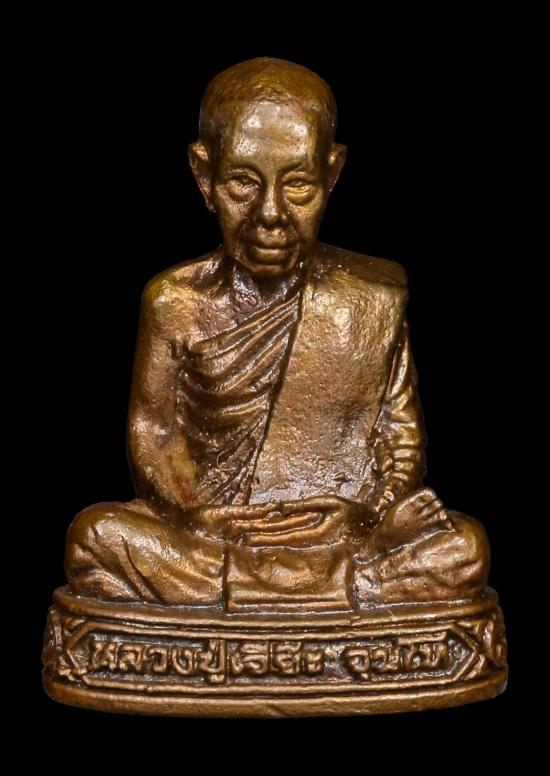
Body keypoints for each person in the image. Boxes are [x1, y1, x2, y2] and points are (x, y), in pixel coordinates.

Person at [65, 58, 489, 611]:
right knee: (96, 535)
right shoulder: (174, 302)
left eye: (299, 185)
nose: (270, 213)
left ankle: (250, 594)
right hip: (217, 535)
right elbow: (153, 433)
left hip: (338, 532)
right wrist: (194, 515)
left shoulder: (372, 298)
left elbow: (400, 437)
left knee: (464, 547)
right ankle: (343, 590)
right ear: (203, 176)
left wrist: (366, 516)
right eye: (243, 182)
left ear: (332, 173)